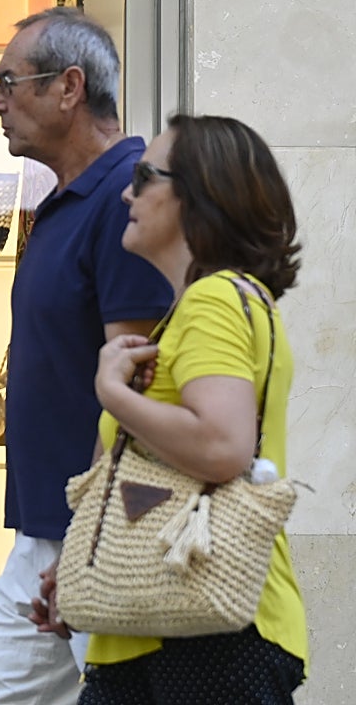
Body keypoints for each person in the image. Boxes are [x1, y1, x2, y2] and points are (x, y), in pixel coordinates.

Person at [0, 8, 173, 705]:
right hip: (47, 534)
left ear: (69, 88)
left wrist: (98, 533)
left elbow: (140, 381)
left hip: (97, 535)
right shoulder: (66, 201)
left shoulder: (126, 201)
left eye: (9, 82)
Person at [65, 114, 308, 702]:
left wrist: (115, 394)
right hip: (172, 624)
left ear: (200, 195)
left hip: (207, 633)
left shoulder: (215, 302)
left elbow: (221, 447)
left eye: (145, 175)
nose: (128, 191)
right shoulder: (201, 307)